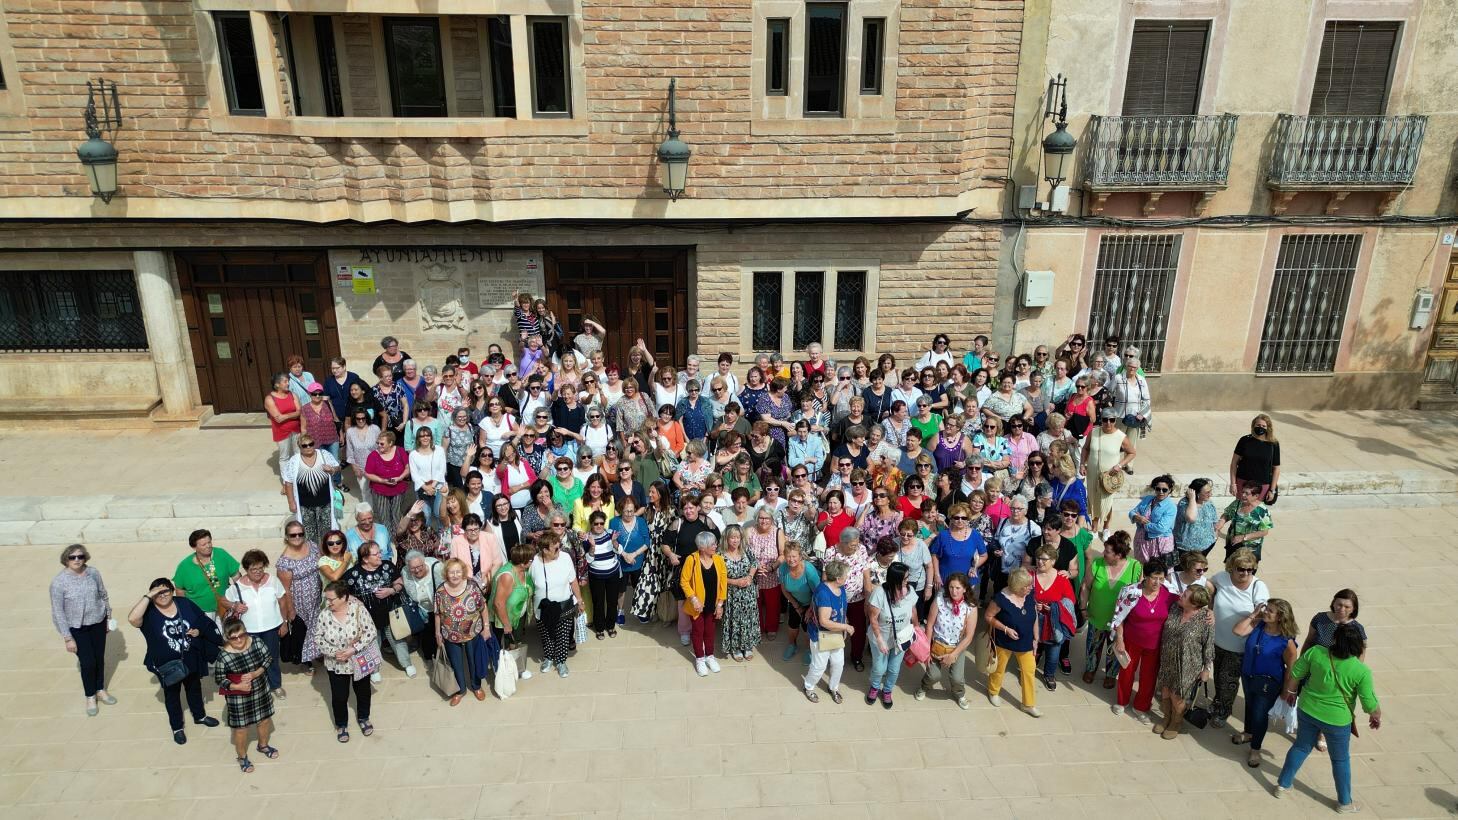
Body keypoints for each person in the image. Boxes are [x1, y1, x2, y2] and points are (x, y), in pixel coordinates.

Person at [1275, 623, 1381, 811]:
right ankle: (1345, 802)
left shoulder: (1316, 652)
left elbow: (1296, 673)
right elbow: (1369, 703)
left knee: (1300, 747)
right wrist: (1376, 716)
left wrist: (1291, 691)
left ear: (1334, 640)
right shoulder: (1361, 671)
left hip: (1307, 710)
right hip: (1338, 721)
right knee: (1340, 760)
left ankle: (1283, 785)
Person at [128, 578, 222, 744]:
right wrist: (149, 595)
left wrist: (197, 631)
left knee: (194, 688)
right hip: (167, 664)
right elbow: (132, 619)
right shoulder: (148, 612)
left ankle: (200, 716)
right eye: (158, 592)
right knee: (172, 695)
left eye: (166, 591)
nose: (162, 595)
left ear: (172, 591)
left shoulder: (184, 603)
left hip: (190, 657)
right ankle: (177, 727)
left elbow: (202, 621)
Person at [1232, 598, 1300, 768]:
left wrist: (1287, 689)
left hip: (1268, 682)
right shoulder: (1258, 624)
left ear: (1280, 617)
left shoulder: (1286, 641)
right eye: (1266, 608)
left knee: (1259, 714)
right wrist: (1254, 614)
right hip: (1248, 674)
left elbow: (1292, 668)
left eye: (1270, 610)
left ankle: (1255, 749)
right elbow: (1238, 631)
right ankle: (1248, 733)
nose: (1266, 612)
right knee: (1250, 704)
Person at [50, 544, 116, 716]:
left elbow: (103, 594)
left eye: (80, 556)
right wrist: (67, 637)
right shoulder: (59, 583)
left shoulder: (93, 573)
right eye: (72, 557)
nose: (77, 560)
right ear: (66, 559)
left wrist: (108, 617)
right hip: (77, 628)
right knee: (88, 663)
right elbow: (58, 612)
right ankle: (90, 696)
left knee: (99, 658)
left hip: (98, 623)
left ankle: (100, 689)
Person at [1208, 547, 1270, 727]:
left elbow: (1262, 609)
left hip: (1239, 646)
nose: (1245, 573)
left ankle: (1223, 710)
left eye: (1250, 569)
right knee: (1218, 675)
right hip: (1217, 640)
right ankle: (1218, 702)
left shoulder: (1258, 586)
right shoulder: (1222, 578)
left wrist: (1259, 611)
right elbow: (1209, 584)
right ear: (1231, 568)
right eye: (1240, 569)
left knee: (1229, 680)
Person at [1110, 558, 1176, 722]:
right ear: (1145, 576)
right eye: (1154, 577)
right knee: (1126, 672)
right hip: (1131, 641)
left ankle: (1141, 707)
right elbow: (1119, 617)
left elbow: (1192, 604)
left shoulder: (1170, 595)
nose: (1157, 582)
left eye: (1161, 578)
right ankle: (1121, 701)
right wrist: (1120, 639)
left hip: (1155, 645)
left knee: (1149, 677)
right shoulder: (1131, 592)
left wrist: (1208, 613)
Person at [224, 550, 292, 699]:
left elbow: (282, 601)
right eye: (253, 569)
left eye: (260, 568)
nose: (257, 572)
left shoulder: (273, 581)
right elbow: (224, 600)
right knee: (252, 660)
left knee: (272, 657)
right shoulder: (237, 586)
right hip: (249, 631)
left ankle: (275, 685)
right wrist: (234, 606)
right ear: (246, 570)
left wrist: (284, 622)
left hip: (271, 628)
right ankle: (256, 687)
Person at [213, 618, 278, 773]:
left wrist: (257, 673)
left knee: (264, 720)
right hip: (238, 697)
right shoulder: (223, 657)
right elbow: (219, 679)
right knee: (241, 729)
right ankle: (242, 757)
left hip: (260, 689)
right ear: (227, 638)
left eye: (242, 635)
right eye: (234, 638)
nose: (239, 640)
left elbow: (268, 658)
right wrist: (237, 686)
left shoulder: (256, 642)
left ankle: (263, 745)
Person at [315, 581, 377, 742]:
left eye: (331, 599)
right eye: (326, 599)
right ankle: (341, 724)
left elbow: (370, 632)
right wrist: (334, 653)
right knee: (339, 696)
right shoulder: (324, 615)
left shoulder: (358, 610)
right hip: (336, 664)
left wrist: (353, 649)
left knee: (363, 692)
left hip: (359, 660)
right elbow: (318, 638)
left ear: (343, 597)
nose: (328, 603)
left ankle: (364, 718)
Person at [1079, 530, 1141, 688]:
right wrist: (1083, 608)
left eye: (1107, 551)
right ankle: (1091, 669)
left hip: (1120, 621)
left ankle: (1111, 674)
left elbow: (1137, 593)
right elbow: (1086, 586)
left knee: (1115, 647)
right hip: (1096, 615)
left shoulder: (1135, 567)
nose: (1103, 553)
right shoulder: (1097, 564)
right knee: (1093, 645)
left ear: (1118, 555)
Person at [341, 541, 411, 681]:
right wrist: (357, 602)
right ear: (366, 558)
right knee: (372, 643)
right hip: (367, 619)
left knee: (398, 639)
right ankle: (374, 670)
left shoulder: (387, 566)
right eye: (376, 553)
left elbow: (399, 582)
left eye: (379, 552)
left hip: (390, 614)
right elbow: (343, 594)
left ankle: (406, 664)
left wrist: (391, 590)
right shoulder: (352, 575)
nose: (381, 555)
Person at [1153, 585, 1215, 740]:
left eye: (1185, 595)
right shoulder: (1175, 607)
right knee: (1166, 690)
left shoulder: (1205, 619)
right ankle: (1166, 717)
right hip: (1167, 658)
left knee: (1178, 695)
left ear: (1194, 604)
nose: (1181, 595)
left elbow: (1209, 645)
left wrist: (1206, 668)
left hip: (1188, 663)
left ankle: (1176, 722)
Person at [985, 567, 1041, 717]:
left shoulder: (1029, 595)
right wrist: (1005, 629)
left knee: (1029, 670)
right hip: (1004, 642)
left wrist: (1036, 638)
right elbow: (988, 617)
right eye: (1026, 586)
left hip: (1026, 642)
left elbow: (1034, 615)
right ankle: (993, 691)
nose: (1030, 588)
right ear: (1016, 587)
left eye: (1030, 585)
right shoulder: (1000, 599)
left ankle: (1028, 704)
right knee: (999, 669)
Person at [915, 572, 977, 709]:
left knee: (957, 678)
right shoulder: (939, 601)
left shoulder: (970, 607)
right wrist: (927, 649)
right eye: (951, 587)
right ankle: (924, 687)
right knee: (933, 675)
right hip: (937, 644)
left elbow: (969, 636)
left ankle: (959, 694)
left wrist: (953, 655)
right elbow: (930, 625)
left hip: (957, 648)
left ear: (965, 589)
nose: (954, 591)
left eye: (958, 588)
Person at [432, 558, 490, 704]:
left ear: (463, 572)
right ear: (446, 573)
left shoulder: (472, 587)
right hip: (450, 635)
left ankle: (476, 686)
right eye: (452, 572)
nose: (455, 575)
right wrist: (437, 633)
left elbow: (483, 608)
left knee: (474, 662)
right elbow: (437, 613)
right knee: (456, 664)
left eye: (458, 571)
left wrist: (487, 627)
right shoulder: (440, 591)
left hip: (472, 632)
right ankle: (460, 690)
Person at [864, 561, 918, 709]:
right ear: (896, 579)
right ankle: (875, 687)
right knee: (879, 668)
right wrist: (880, 640)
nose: (908, 581)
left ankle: (887, 690)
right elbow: (873, 618)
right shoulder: (879, 593)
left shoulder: (910, 591)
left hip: (901, 639)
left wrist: (917, 628)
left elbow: (913, 611)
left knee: (894, 669)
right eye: (905, 578)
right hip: (881, 638)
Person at [530, 533, 584, 678]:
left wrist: (579, 600)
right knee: (546, 635)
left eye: (559, 547)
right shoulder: (534, 562)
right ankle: (548, 658)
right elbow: (529, 584)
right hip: (543, 608)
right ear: (545, 550)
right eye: (555, 549)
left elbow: (573, 581)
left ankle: (561, 662)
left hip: (564, 606)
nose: (559, 550)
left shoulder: (565, 558)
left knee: (563, 635)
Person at [803, 559, 853, 704]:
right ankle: (809, 686)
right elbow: (824, 621)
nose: (847, 577)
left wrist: (844, 623)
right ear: (838, 578)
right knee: (819, 666)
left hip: (835, 633)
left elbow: (842, 608)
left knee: (838, 664)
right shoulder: (824, 593)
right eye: (845, 575)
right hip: (821, 635)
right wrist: (846, 628)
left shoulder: (840, 588)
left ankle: (833, 688)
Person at [680, 530, 728, 676]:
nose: (715, 546)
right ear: (702, 547)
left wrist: (720, 604)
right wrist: (694, 599)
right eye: (712, 544)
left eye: (715, 543)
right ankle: (700, 659)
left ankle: (710, 656)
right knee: (698, 631)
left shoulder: (719, 560)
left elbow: (723, 583)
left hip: (712, 604)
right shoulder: (692, 559)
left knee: (710, 631)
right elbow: (684, 581)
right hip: (697, 605)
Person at [1082, 408, 1136, 537]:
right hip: (1093, 473)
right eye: (1105, 420)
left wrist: (1120, 465)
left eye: (1111, 420)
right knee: (1093, 498)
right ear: (1101, 420)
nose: (1108, 423)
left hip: (1109, 476)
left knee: (1107, 501)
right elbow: (1086, 448)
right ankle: (1094, 527)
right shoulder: (1094, 432)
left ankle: (1106, 527)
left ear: (1115, 420)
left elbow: (1132, 453)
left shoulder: (1121, 436)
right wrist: (1082, 464)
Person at [1030, 544, 1077, 691]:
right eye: (1038, 558)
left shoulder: (1062, 579)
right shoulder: (1030, 576)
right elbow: (1020, 595)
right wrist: (1033, 605)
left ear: (1053, 561)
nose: (1040, 562)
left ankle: (1049, 674)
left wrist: (1054, 608)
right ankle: (1029, 669)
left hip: (1054, 621)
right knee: (1032, 647)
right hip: (1034, 620)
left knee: (1054, 650)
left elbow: (1070, 601)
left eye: (1044, 559)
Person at [282, 435, 340, 550]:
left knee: (327, 532)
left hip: (326, 502)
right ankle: (313, 556)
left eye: (311, 444)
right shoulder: (294, 460)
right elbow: (288, 482)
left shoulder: (324, 455)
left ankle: (327, 554)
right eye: (305, 445)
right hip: (305, 505)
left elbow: (337, 466)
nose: (308, 447)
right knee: (309, 534)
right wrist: (291, 502)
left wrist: (332, 470)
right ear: (299, 447)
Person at [173, 529, 241, 625]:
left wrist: (240, 597)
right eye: (203, 544)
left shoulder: (221, 554)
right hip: (202, 611)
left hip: (225, 605)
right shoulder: (184, 567)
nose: (208, 546)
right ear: (194, 547)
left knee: (227, 636)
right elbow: (180, 590)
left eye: (209, 542)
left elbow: (236, 576)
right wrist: (185, 611)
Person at [746, 507, 786, 641]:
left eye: (767, 518)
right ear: (757, 518)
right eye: (761, 517)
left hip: (771, 575)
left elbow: (782, 555)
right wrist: (755, 567)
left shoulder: (777, 532)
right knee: (754, 604)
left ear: (772, 519)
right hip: (753, 575)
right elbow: (743, 553)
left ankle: (771, 628)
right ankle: (757, 628)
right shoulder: (749, 531)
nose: (764, 521)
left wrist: (772, 567)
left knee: (772, 604)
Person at [401, 550, 442, 665]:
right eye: (413, 568)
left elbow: (444, 588)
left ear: (424, 562)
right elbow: (411, 593)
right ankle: (429, 657)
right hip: (422, 608)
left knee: (440, 633)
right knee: (426, 634)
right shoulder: (405, 572)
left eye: (419, 566)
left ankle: (441, 657)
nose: (417, 570)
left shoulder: (437, 567)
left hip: (439, 607)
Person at [364, 429, 411, 529]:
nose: (379, 446)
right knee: (383, 516)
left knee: (396, 514)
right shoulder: (373, 455)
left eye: (382, 444)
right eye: (378, 443)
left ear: (390, 443)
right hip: (380, 490)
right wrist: (382, 480)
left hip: (398, 488)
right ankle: (387, 537)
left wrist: (399, 478)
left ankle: (397, 536)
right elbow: (368, 474)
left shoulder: (400, 451)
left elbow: (408, 468)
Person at [1218, 482, 1275, 561]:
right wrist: (1221, 521)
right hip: (1233, 544)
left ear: (1256, 496)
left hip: (1251, 549)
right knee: (1230, 568)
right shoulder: (1237, 503)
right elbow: (1227, 514)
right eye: (1243, 492)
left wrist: (1243, 537)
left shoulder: (1262, 511)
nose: (1243, 495)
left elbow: (1264, 532)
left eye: (1247, 493)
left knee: (1245, 571)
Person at [1231, 413, 1281, 502]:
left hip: (1262, 485)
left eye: (1263, 426)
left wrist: (1272, 490)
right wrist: (1233, 483)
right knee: (1240, 510)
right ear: (1253, 425)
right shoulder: (1245, 440)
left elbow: (1276, 468)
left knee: (1256, 512)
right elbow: (1234, 463)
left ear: (1268, 428)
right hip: (1243, 482)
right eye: (1258, 425)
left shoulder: (1273, 444)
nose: (1260, 427)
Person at [1129, 474, 1177, 563]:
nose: (1161, 492)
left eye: (1164, 490)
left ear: (1170, 490)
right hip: (1142, 540)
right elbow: (1132, 512)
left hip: (1161, 543)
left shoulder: (1171, 507)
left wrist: (1144, 523)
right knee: (1142, 566)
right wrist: (1136, 517)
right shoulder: (1148, 499)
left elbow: (1161, 528)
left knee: (1160, 570)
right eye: (1158, 489)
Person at [265, 372, 302, 487]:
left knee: (299, 453)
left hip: (296, 429)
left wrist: (285, 416)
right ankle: (287, 483)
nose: (288, 383)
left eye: (288, 381)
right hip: (281, 432)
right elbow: (278, 419)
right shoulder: (269, 399)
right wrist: (293, 414)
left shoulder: (292, 395)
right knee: (284, 457)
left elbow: (300, 412)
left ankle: (299, 479)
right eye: (285, 381)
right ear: (277, 385)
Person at [1173, 478, 1220, 556]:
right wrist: (1192, 499)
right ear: (1197, 493)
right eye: (1207, 492)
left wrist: (1214, 537)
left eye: (1210, 491)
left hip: (1206, 546)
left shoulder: (1209, 503)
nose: (1210, 494)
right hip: (1186, 549)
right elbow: (1191, 518)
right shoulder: (1184, 503)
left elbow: (1214, 522)